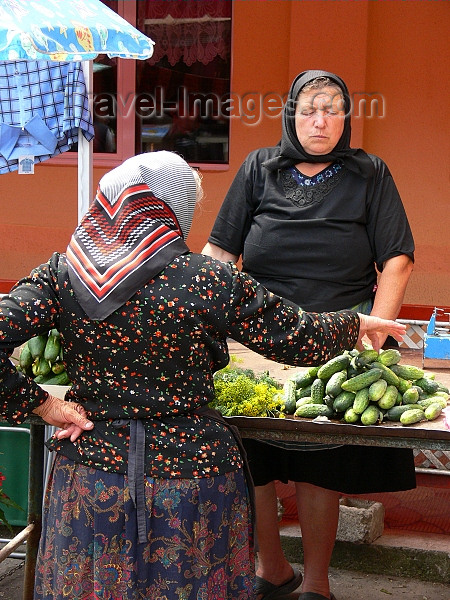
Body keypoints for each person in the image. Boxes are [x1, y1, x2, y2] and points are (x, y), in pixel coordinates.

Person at [0, 151, 407, 600]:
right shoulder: (207, 280)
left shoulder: (61, 275)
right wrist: (355, 324)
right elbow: (297, 336)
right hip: (193, 479)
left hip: (93, 478)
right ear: (173, 211)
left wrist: (44, 405)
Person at [202, 69, 416, 600]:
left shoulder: (370, 173)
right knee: (254, 456)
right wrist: (199, 320)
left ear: (346, 117)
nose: (319, 120)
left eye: (332, 108)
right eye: (308, 108)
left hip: (338, 339)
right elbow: (221, 254)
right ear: (291, 114)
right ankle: (271, 569)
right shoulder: (259, 168)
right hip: (258, 337)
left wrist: (377, 340)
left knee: (318, 460)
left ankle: (316, 585)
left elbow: (397, 260)